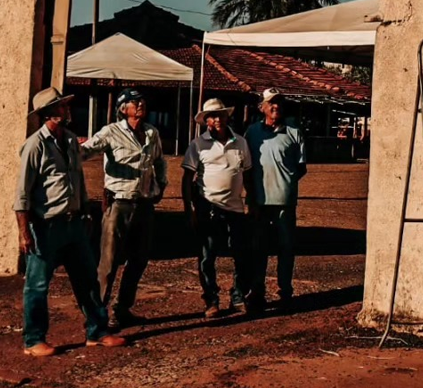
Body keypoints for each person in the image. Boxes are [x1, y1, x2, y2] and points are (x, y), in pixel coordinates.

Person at [15, 87, 127, 356]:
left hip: (74, 224)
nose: (68, 110)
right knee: (37, 285)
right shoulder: (34, 146)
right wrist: (24, 232)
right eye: (62, 106)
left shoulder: (69, 141)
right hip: (46, 225)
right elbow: (22, 193)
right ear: (50, 113)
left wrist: (86, 212)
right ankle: (34, 340)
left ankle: (97, 332)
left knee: (87, 280)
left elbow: (78, 180)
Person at [82, 88, 167, 331]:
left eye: (141, 101)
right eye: (133, 102)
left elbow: (160, 161)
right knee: (108, 263)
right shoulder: (111, 132)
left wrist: (160, 185)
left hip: (144, 204)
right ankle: (97, 315)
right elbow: (87, 151)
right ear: (123, 109)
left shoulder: (151, 132)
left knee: (139, 259)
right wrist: (71, 150)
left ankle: (122, 309)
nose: (140, 105)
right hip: (119, 204)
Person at [182, 98, 255, 319]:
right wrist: (189, 209)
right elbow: (187, 179)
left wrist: (251, 201)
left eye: (220, 115)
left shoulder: (241, 142)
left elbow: (248, 174)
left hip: (235, 208)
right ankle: (211, 300)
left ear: (227, 117)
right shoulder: (197, 145)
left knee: (241, 254)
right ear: (206, 121)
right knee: (207, 256)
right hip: (208, 207)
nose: (217, 120)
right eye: (212, 116)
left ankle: (238, 296)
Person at [245, 88, 307, 311]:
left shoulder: (293, 132)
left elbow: (301, 167)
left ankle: (285, 291)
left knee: (286, 247)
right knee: (258, 248)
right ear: (262, 107)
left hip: (285, 202)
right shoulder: (252, 132)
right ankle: (257, 291)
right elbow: (246, 166)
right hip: (259, 202)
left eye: (279, 102)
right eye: (271, 103)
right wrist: (252, 195)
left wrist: (286, 183)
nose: (276, 106)